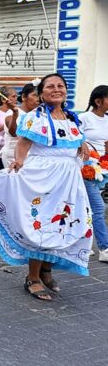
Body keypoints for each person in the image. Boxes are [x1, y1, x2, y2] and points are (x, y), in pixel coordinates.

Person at [0, 73, 92, 301]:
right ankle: (33, 277)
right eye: (50, 87)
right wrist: (19, 161)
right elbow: (23, 143)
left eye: (60, 86)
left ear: (66, 90)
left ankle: (47, 269)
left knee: (63, 225)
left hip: (68, 181)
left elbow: (73, 140)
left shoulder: (72, 117)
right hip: (43, 178)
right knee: (42, 226)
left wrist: (82, 144)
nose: (56, 89)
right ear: (41, 93)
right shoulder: (36, 116)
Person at [80, 85, 108, 262]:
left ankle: (83, 243)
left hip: (104, 169)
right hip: (87, 169)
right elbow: (75, 141)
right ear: (98, 101)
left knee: (87, 208)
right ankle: (104, 248)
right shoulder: (84, 118)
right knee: (98, 207)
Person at [1, 83, 39, 168]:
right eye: (35, 95)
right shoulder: (12, 112)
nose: (38, 99)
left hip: (28, 155)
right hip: (12, 157)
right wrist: (15, 113)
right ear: (24, 97)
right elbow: (14, 132)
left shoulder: (36, 114)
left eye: (40, 96)